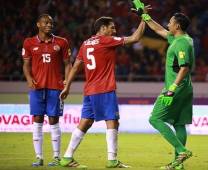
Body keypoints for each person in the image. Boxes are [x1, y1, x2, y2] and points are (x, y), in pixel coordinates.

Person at [59, 16, 145, 168]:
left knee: (85, 122)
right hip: (104, 88)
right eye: (111, 27)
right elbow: (136, 38)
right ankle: (112, 160)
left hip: (90, 90)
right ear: (102, 28)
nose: (114, 30)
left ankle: (67, 157)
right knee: (112, 121)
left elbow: (76, 66)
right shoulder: (106, 40)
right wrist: (144, 19)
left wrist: (67, 87)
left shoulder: (85, 43)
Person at [133, 1, 194, 169]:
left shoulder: (181, 43)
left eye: (171, 22)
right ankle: (178, 164)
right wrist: (144, 16)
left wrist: (172, 89)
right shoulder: (182, 39)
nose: (168, 24)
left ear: (178, 25)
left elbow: (184, 67)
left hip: (176, 87)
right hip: (186, 88)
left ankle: (181, 150)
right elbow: (158, 29)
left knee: (155, 119)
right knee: (179, 123)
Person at [22, 14, 72, 167]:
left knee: (53, 120)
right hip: (37, 87)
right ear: (38, 24)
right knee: (37, 120)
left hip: (55, 88)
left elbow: (68, 64)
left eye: (51, 22)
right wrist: (29, 79)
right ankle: (39, 157)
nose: (49, 25)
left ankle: (56, 157)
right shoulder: (29, 42)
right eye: (46, 22)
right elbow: (26, 65)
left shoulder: (62, 42)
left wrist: (67, 82)